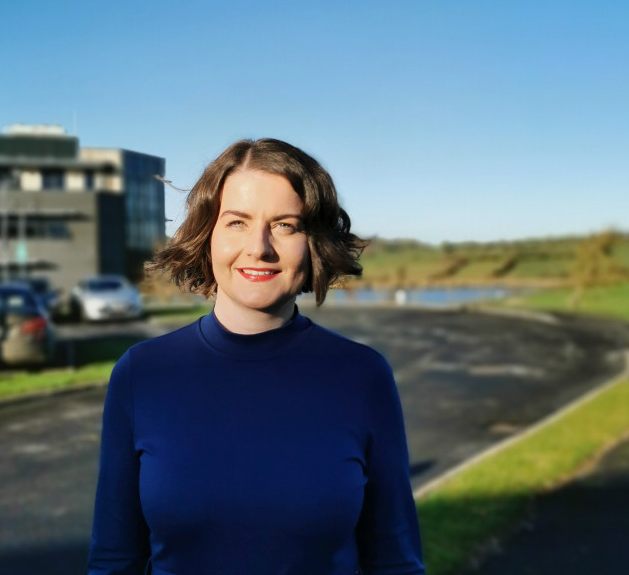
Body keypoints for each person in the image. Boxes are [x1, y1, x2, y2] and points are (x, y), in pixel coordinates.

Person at [88, 138, 425, 575]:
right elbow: (115, 562)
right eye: (237, 223)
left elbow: (395, 563)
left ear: (314, 242)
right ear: (207, 234)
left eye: (285, 225)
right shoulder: (141, 374)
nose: (260, 247)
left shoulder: (363, 376)